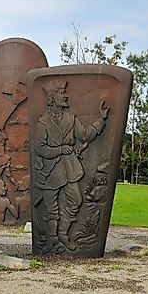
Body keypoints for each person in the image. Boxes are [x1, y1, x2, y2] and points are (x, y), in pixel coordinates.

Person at [33, 81, 107, 252]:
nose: (66, 95)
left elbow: (85, 135)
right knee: (51, 208)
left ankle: (63, 234)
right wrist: (59, 150)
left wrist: (101, 120)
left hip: (69, 169)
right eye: (61, 93)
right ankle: (52, 241)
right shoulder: (42, 123)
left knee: (76, 201)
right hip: (49, 171)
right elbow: (39, 148)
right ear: (52, 98)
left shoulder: (70, 119)